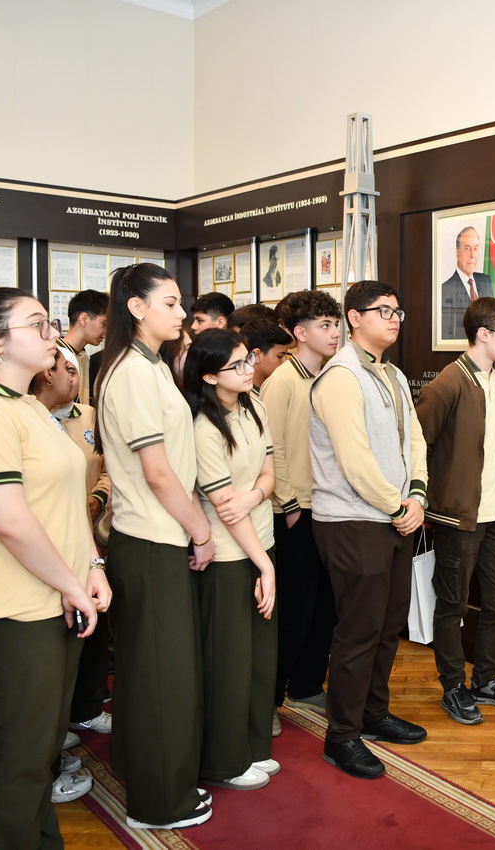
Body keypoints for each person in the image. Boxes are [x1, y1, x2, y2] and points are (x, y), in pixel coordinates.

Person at [0, 288, 107, 846]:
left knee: (41, 748)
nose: (52, 334)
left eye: (49, 322)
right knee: (21, 752)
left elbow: (65, 501)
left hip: (56, 595)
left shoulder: (29, 405)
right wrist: (71, 585)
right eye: (36, 324)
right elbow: (10, 520)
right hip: (12, 605)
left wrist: (91, 565)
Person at [96, 263, 213, 830]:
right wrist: (201, 530)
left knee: (153, 670)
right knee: (162, 675)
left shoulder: (149, 365)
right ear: (136, 307)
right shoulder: (133, 372)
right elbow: (159, 473)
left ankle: (147, 774)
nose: (181, 313)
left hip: (154, 533)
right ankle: (159, 803)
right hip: (151, 535)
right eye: (170, 302)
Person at [309, 280, 429, 779]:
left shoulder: (393, 373)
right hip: (352, 520)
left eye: (398, 311)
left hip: (395, 516)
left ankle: (374, 714)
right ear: (354, 318)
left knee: (387, 625)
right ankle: (342, 736)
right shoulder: (340, 377)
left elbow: (415, 439)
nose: (394, 319)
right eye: (384, 311)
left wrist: (418, 494)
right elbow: (355, 461)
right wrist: (398, 505)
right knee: (358, 631)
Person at [416, 298, 495, 726]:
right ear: (483, 334)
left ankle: (485, 680)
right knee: (453, 605)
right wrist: (424, 497)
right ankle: (452, 687)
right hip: (457, 516)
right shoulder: (447, 384)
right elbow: (418, 444)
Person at [183, 329, 279, 792]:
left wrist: (254, 495)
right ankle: (224, 759)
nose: (248, 370)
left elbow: (269, 472)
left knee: (260, 658)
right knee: (229, 663)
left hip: (261, 541)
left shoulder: (254, 404)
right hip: (228, 555)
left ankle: (254, 746)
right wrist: (265, 565)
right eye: (237, 365)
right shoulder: (203, 427)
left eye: (249, 360)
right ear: (208, 376)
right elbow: (225, 508)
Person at [260, 291, 341, 724]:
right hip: (293, 511)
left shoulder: (329, 376)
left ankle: (307, 685)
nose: (334, 332)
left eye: (335, 324)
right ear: (300, 333)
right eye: (325, 325)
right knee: (295, 609)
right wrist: (288, 504)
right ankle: (268, 700)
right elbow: (270, 447)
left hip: (328, 506)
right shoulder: (283, 381)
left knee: (325, 605)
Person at [30, 348, 115, 747]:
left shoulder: (90, 416)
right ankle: (53, 728)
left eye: (75, 370)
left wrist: (96, 498)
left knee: (94, 629)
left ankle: (86, 707)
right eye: (67, 369)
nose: (75, 377)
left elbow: (107, 469)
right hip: (48, 542)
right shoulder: (29, 419)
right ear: (46, 375)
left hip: (90, 536)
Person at [440, 226, 493, 340]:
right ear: (457, 252)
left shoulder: (486, 281)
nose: (472, 255)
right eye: (467, 248)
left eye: (476, 248)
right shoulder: (445, 290)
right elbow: (447, 333)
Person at [56, 289, 108, 404]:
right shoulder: (55, 356)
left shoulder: (83, 357)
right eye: (104, 324)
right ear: (84, 319)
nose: (106, 331)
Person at [238, 318, 293, 396]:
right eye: (280, 356)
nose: (286, 361)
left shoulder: (278, 388)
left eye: (286, 356)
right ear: (257, 355)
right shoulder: (243, 397)